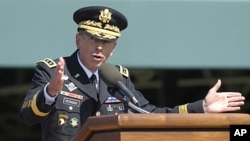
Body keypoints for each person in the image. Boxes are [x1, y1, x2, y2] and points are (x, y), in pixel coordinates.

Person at [20, 6, 245, 141]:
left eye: (107, 42)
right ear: (79, 40)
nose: (100, 48)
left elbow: (149, 114)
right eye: (94, 40)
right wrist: (50, 93)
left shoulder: (117, 78)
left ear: (114, 49)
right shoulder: (53, 70)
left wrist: (201, 108)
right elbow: (27, 116)